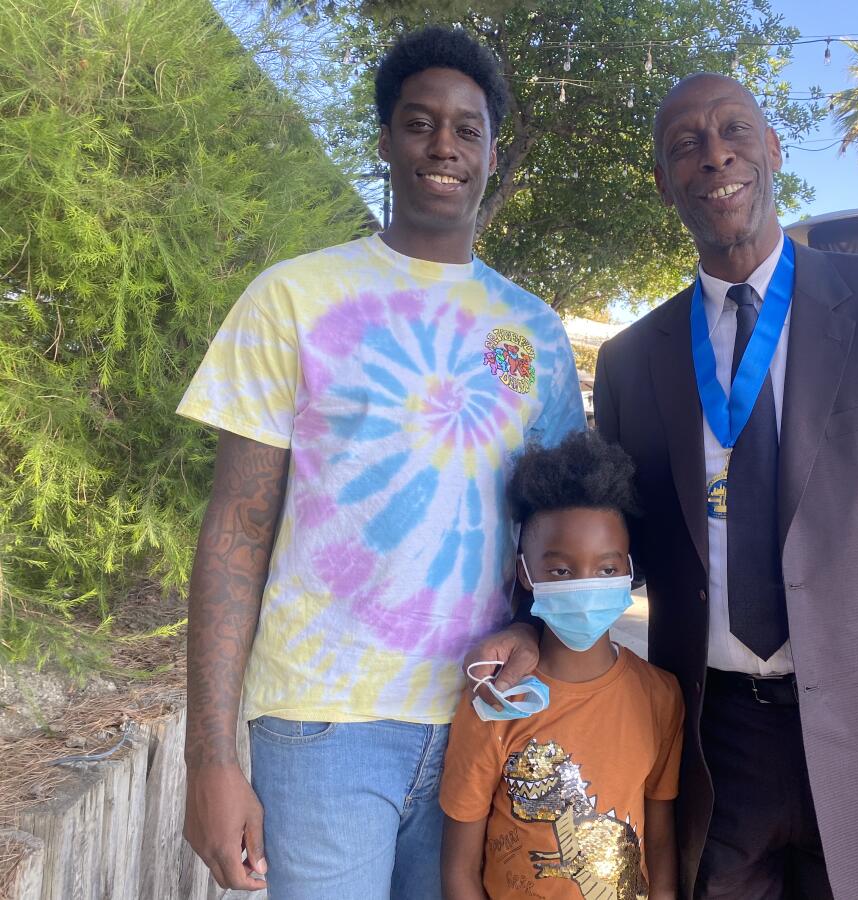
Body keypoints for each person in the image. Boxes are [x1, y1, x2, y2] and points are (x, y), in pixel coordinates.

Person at [588, 73, 858, 898]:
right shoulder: (632, 360)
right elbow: (610, 553)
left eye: (733, 131)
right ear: (663, 180)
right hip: (712, 746)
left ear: (773, 150)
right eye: (685, 143)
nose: (713, 153)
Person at [176, 26, 584, 898]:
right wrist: (208, 756)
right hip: (321, 727)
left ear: (491, 152)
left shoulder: (536, 334)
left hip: (487, 721)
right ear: (385, 141)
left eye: (466, 129)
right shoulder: (293, 297)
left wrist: (535, 635)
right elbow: (236, 532)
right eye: (419, 123)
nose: (444, 145)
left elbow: (557, 539)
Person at [440, 431, 684, 900]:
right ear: (525, 573)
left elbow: (661, 847)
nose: (585, 583)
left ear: (629, 571)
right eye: (561, 571)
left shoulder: (660, 697)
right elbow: (459, 873)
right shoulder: (495, 704)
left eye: (607, 569)